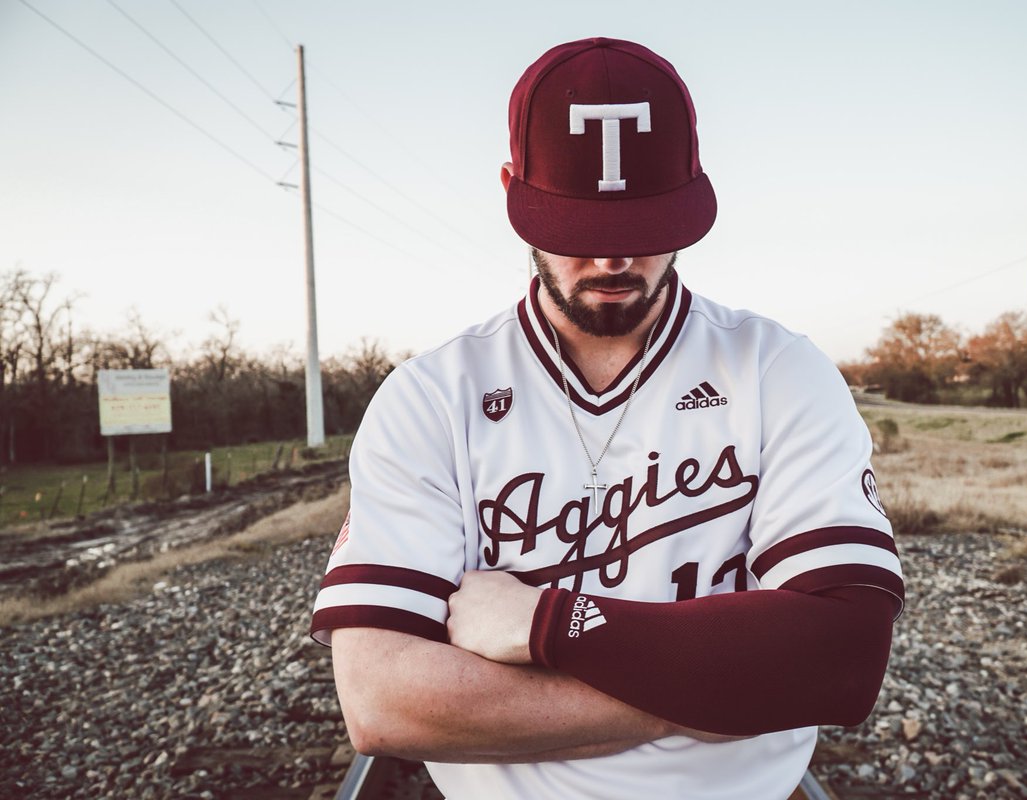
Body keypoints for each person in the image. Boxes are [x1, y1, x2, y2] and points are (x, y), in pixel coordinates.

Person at [311, 37, 904, 800]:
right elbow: (383, 702)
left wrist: (547, 628)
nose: (612, 262)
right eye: (578, 229)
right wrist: (728, 682)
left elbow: (841, 661)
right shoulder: (431, 396)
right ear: (511, 193)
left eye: (645, 224)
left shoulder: (775, 368)